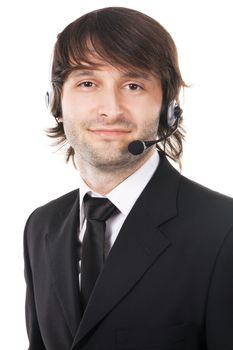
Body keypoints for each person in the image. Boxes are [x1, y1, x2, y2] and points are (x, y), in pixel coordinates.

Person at [23, 6, 233, 350]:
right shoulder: (41, 226)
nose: (111, 108)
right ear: (56, 102)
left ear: (169, 108)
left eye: (133, 85)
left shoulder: (224, 231)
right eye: (88, 83)